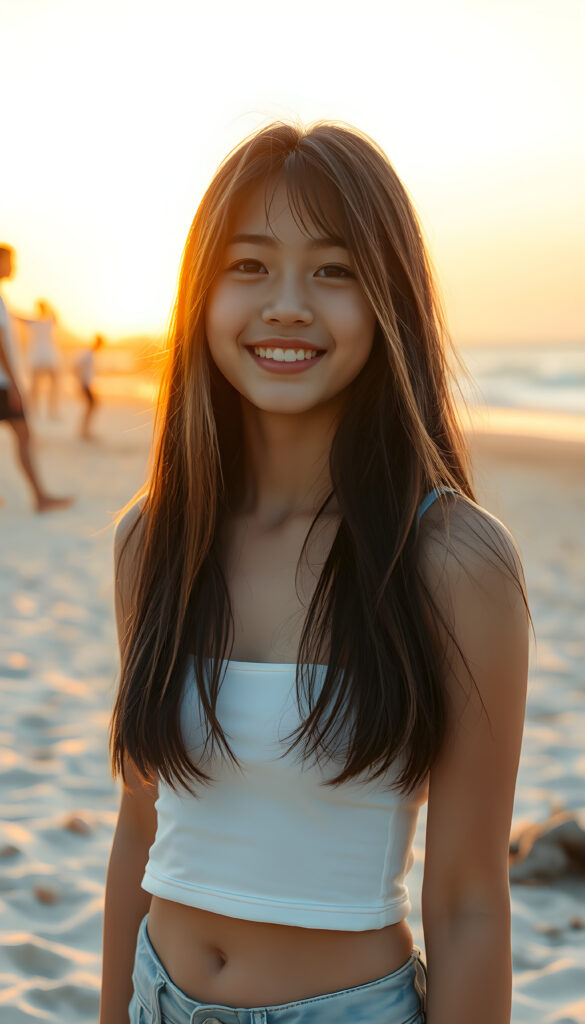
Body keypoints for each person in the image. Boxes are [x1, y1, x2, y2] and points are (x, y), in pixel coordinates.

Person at [100, 122, 530, 1024]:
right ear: (200, 292)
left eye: (333, 269)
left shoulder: (452, 561)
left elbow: (466, 900)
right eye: (249, 265)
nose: (288, 305)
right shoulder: (153, 540)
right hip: (156, 996)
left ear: (387, 300)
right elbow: (141, 829)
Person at [0, 244, 73, 513]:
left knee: (24, 435)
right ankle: (41, 498)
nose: (14, 266)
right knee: (24, 435)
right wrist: (14, 384)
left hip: (4, 382)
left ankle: (41, 497)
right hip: (3, 384)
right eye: (10, 260)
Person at [25, 299, 62, 419]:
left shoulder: (42, 320)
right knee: (38, 385)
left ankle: (48, 411)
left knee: (44, 385)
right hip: (44, 354)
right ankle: (38, 411)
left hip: (43, 353)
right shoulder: (42, 321)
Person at [74, 334, 103, 440]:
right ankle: (84, 431)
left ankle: (85, 430)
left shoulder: (90, 354)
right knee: (91, 406)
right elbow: (76, 366)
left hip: (87, 384)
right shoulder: (88, 354)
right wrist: (80, 382)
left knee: (91, 406)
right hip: (84, 384)